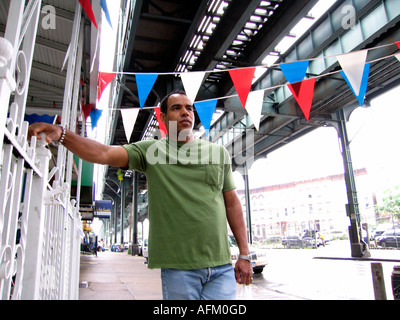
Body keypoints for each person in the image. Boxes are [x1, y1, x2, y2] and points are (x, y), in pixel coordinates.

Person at [28, 90, 253, 300]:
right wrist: (63, 135)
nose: (185, 112)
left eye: (189, 108)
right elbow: (104, 153)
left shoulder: (217, 153)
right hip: (179, 268)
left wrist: (244, 254)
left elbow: (232, 204)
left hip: (221, 265)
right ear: (163, 118)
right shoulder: (150, 151)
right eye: (176, 108)